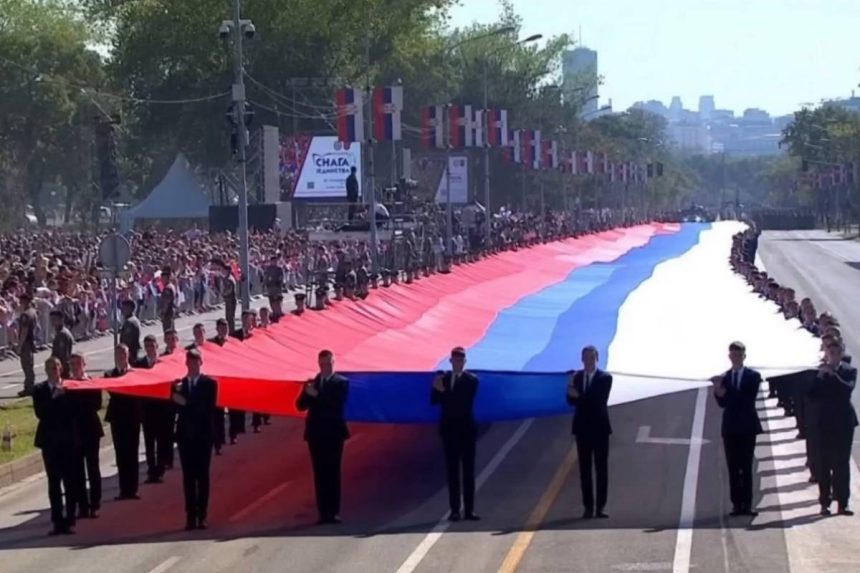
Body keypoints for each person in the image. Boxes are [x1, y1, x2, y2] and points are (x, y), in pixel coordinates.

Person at [296, 349, 349, 524]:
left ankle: (334, 511)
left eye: (329, 363)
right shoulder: (314, 382)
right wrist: (306, 392)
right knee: (319, 473)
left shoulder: (341, 382)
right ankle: (323, 512)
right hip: (315, 434)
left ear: (334, 362)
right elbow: (300, 406)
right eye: (322, 364)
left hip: (333, 433)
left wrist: (316, 395)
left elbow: (334, 405)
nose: (326, 367)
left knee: (332, 471)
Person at [711, 341, 762, 517]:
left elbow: (746, 399)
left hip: (747, 426)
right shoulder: (725, 377)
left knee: (746, 466)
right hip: (731, 428)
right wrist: (717, 391)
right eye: (733, 355)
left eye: (738, 355)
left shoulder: (753, 376)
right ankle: (736, 504)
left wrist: (725, 392)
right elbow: (722, 403)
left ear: (744, 356)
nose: (735, 358)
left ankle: (747, 504)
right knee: (733, 467)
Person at [430, 346, 480, 522]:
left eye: (460, 360)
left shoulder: (471, 380)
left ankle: (469, 510)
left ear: (464, 362)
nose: (457, 363)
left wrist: (443, 392)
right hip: (449, 431)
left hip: (466, 431)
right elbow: (434, 401)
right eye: (455, 360)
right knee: (452, 473)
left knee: (468, 472)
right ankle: (454, 510)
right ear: (451, 361)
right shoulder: (444, 379)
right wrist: (436, 389)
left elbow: (462, 403)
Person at [33, 356, 81, 535]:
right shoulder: (40, 390)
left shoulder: (69, 387)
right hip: (50, 444)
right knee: (54, 484)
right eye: (51, 368)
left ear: (61, 369)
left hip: (68, 442)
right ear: (46, 371)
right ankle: (57, 521)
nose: (54, 371)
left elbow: (75, 412)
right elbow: (41, 413)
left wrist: (64, 395)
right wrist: (54, 397)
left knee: (70, 483)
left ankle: (70, 519)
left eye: (57, 367)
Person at [171, 348, 218, 530]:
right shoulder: (179, 385)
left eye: (195, 361)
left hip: (203, 436)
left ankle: (202, 515)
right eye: (189, 362)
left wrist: (185, 403)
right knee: (188, 478)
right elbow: (174, 408)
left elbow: (207, 408)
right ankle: (190, 516)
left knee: (203, 476)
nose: (192, 365)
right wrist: (178, 399)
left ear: (201, 363)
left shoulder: (209, 384)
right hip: (185, 437)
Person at [810, 341, 858, 516]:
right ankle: (825, 502)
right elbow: (811, 395)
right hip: (825, 423)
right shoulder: (820, 371)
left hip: (844, 422)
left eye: (837, 352)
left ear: (842, 353)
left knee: (841, 464)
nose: (834, 356)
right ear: (827, 353)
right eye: (831, 352)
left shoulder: (849, 370)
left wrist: (834, 374)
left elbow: (847, 389)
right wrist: (820, 377)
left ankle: (843, 502)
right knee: (824, 464)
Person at [566, 345, 613, 519]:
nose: (588, 361)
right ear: (582, 359)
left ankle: (600, 507)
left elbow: (597, 400)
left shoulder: (605, 378)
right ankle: (588, 506)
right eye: (585, 358)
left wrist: (578, 396)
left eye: (591, 358)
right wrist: (573, 389)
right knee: (584, 470)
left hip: (600, 429)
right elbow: (570, 400)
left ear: (596, 359)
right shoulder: (577, 377)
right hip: (582, 429)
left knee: (601, 469)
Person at [104, 344, 143, 500]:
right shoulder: (110, 375)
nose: (121, 357)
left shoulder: (135, 373)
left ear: (128, 356)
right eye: (118, 355)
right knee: (121, 454)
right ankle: (123, 489)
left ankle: (133, 489)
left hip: (132, 417)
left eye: (123, 354)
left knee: (132, 453)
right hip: (117, 418)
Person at [70, 353, 103, 519]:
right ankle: (82, 506)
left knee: (93, 469)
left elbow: (97, 404)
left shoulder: (91, 382)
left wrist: (82, 388)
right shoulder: (67, 385)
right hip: (75, 433)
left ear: (84, 365)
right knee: (77, 472)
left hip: (91, 431)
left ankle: (95, 504)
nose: (75, 367)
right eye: (72, 364)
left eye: (78, 363)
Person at [134, 335, 168, 483]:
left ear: (156, 346)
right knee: (149, 442)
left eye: (151, 345)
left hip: (161, 408)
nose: (149, 348)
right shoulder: (139, 364)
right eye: (147, 346)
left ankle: (160, 469)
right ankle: (151, 469)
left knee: (161, 440)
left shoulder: (164, 362)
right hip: (146, 409)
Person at [16, 291, 38, 397]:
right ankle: (30, 386)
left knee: (27, 366)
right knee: (29, 365)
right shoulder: (33, 312)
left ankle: (29, 387)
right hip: (31, 341)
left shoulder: (26, 314)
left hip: (26, 343)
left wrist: (19, 346)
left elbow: (24, 331)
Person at [49, 309, 74, 378]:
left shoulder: (62, 334)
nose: (52, 322)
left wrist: (61, 368)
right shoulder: (59, 332)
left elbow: (64, 355)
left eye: (54, 319)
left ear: (61, 320)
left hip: (62, 367)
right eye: (51, 319)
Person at [222, 264, 238, 333]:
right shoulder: (231, 277)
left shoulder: (228, 279)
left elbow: (229, 289)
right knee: (231, 317)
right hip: (231, 299)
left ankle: (231, 331)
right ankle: (231, 331)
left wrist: (223, 294)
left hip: (230, 299)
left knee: (229, 317)